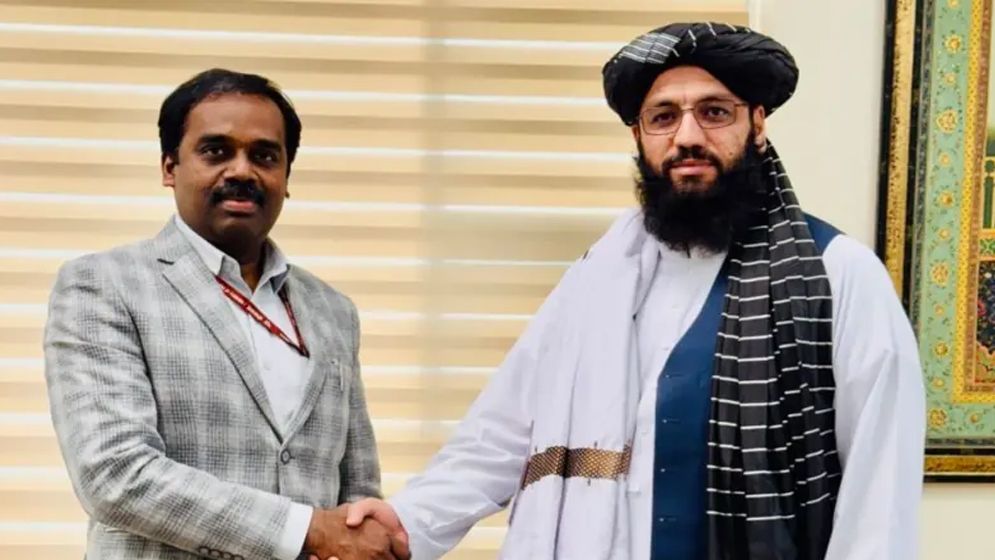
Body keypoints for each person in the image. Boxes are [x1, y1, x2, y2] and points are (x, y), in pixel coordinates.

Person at [338, 23, 926, 559]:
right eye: (663, 117)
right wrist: (409, 521)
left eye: (714, 112)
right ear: (639, 135)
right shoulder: (598, 278)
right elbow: (503, 431)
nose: (687, 136)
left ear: (757, 123)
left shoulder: (836, 274)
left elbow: (880, 495)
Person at [44, 68, 408, 560]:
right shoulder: (104, 285)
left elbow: (357, 493)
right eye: (216, 151)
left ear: (286, 177)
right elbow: (115, 474)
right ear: (170, 167)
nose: (242, 171)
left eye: (264, 156)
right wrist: (308, 530)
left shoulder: (333, 311)